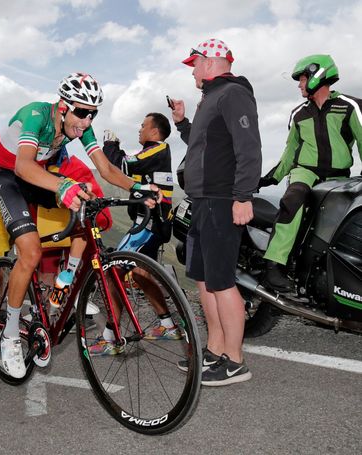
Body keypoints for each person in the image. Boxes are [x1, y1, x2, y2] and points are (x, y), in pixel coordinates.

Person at [0, 72, 157, 378]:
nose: (87, 121)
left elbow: (105, 168)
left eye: (93, 114)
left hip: (38, 174)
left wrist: (136, 187)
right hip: (9, 175)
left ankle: (66, 277)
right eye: (81, 112)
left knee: (87, 203)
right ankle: (10, 335)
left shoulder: (80, 126)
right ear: (63, 106)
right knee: (30, 251)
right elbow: (22, 165)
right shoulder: (36, 115)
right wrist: (61, 187)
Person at [170, 38, 262, 386]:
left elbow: (249, 146)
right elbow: (203, 143)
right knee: (205, 279)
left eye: (194, 62)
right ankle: (214, 351)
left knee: (222, 281)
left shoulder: (233, 93)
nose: (192, 69)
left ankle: (235, 362)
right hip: (203, 200)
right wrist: (181, 123)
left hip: (223, 200)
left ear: (211, 61)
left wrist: (243, 196)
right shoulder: (210, 98)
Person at [259, 54, 362, 292]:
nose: (299, 85)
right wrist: (270, 178)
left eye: (302, 79)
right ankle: (273, 264)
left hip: (339, 178)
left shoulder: (349, 106)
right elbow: (290, 152)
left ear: (318, 76)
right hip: (305, 172)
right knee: (293, 198)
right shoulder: (298, 113)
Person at [95, 113, 181, 353]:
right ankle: (168, 325)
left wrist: (111, 145)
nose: (139, 129)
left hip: (148, 224)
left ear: (155, 132)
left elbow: (124, 164)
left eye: (143, 126)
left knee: (114, 273)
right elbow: (128, 174)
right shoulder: (155, 154)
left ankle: (110, 339)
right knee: (141, 274)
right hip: (155, 223)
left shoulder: (158, 148)